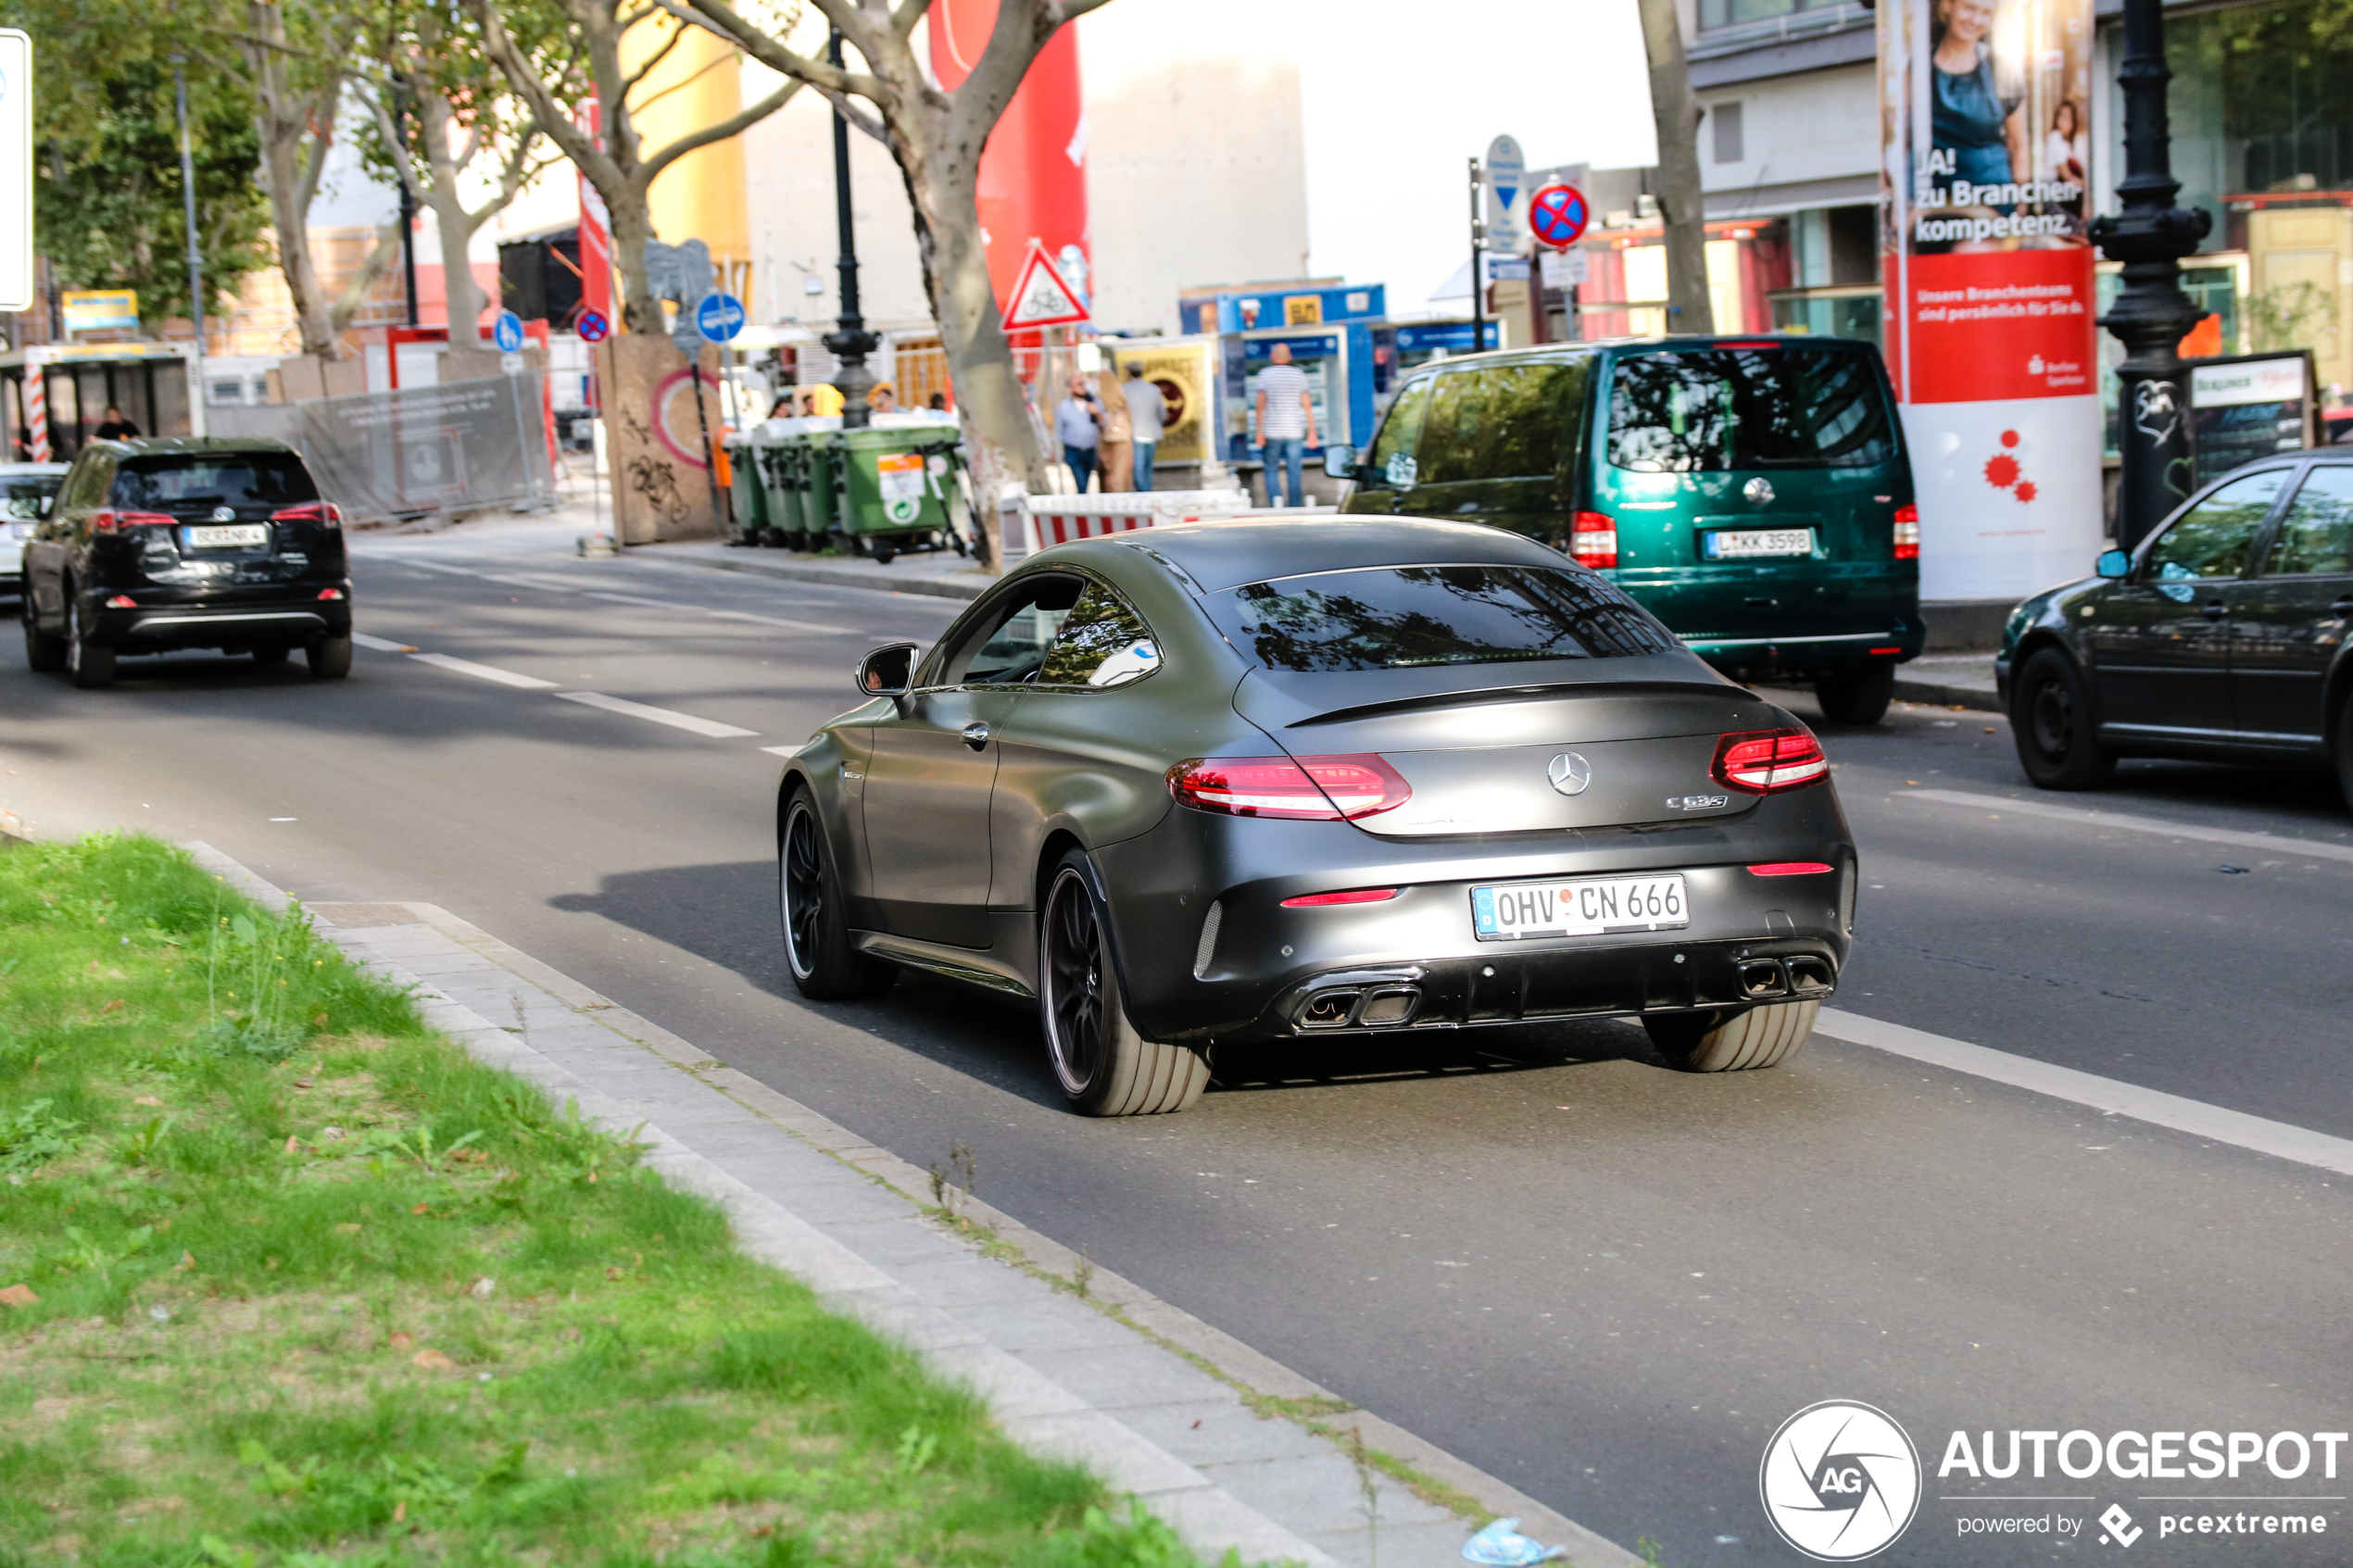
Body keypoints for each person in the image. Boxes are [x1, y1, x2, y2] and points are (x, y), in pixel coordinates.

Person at [1931, 0, 2026, 193]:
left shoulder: (2002, 69)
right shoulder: (1916, 70)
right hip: (1933, 202)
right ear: (1947, 6)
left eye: (1985, 13)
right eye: (1969, 8)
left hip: (1992, 202)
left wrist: (2021, 203)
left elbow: (2019, 144)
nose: (1975, 20)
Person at [1253, 344, 1315, 508]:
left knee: (1271, 469)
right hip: (1294, 431)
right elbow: (1307, 405)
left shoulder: (1264, 375)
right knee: (1294, 471)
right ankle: (1295, 506)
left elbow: (1260, 405)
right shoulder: (1299, 375)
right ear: (1289, 357)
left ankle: (1276, 505)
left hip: (1272, 431)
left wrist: (1258, 431)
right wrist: (1312, 432)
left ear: (1273, 357)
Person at [1120, 363, 1167, 493]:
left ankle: (1143, 492)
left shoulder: (1124, 389)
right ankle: (1147, 490)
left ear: (1129, 373)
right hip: (1152, 432)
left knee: (1138, 467)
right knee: (1148, 466)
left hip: (1134, 433)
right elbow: (1162, 414)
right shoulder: (1154, 389)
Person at [1054, 381, 1101, 493]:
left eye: (1083, 384)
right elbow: (1058, 428)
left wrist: (1097, 413)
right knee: (1081, 482)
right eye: (1079, 384)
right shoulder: (1064, 406)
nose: (1083, 387)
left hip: (1090, 449)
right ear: (1072, 388)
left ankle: (1083, 500)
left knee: (1086, 479)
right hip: (1073, 450)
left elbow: (1104, 422)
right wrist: (1055, 450)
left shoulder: (1094, 402)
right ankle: (1083, 503)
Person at [1095, 369, 1134, 492]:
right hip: (1122, 441)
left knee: (1109, 476)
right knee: (1120, 477)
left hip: (1106, 441)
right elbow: (1130, 420)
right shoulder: (1122, 400)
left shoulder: (1098, 401)